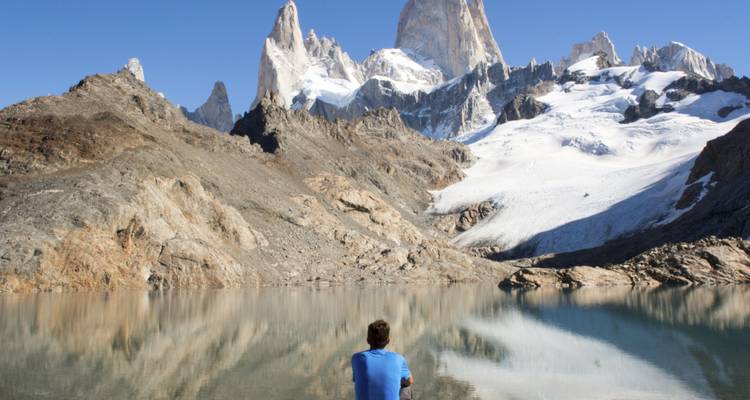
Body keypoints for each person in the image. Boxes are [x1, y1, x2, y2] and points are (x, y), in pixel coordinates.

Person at [352, 320, 414, 400]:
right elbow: (410, 380)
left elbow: (357, 380)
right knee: (406, 388)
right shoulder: (398, 359)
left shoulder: (357, 358)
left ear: (368, 340)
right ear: (388, 341)